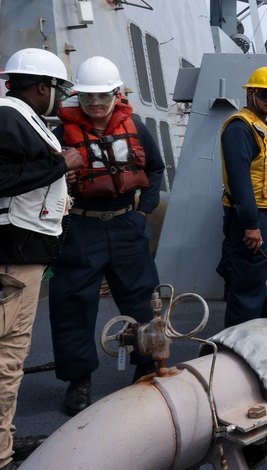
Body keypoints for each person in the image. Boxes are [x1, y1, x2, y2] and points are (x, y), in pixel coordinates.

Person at [50, 56, 164, 416]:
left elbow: (155, 169)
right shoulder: (59, 135)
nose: (95, 104)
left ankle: (147, 365)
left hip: (126, 225)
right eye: (87, 97)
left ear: (117, 93)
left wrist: (143, 211)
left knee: (143, 301)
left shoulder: (138, 128)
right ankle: (78, 381)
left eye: (102, 96)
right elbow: (45, 177)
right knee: (72, 304)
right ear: (77, 97)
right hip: (81, 227)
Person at [0, 49, 83, 468]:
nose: (61, 97)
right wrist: (59, 167)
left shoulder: (23, 119)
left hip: (24, 258)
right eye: (59, 89)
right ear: (42, 87)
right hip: (12, 261)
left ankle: (4, 442)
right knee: (5, 358)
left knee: (11, 357)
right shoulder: (8, 116)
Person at [217, 67, 267, 327]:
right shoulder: (240, 128)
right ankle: (236, 349)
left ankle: (265, 337)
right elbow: (240, 181)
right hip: (254, 217)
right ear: (251, 93)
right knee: (249, 285)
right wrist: (251, 225)